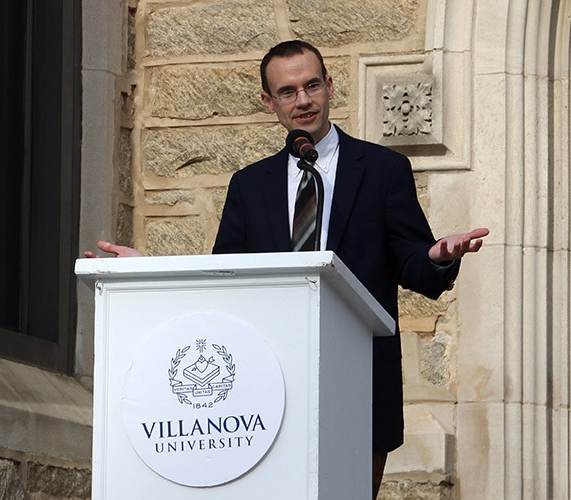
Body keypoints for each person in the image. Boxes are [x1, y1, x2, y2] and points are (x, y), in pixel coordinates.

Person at [87, 40, 488, 499]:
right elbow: (224, 284)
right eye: (288, 91)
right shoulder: (250, 186)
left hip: (358, 383)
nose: (303, 101)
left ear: (330, 87)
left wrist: (439, 256)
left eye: (312, 85)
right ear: (268, 101)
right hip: (266, 389)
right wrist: (152, 273)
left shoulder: (382, 170)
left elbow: (413, 263)